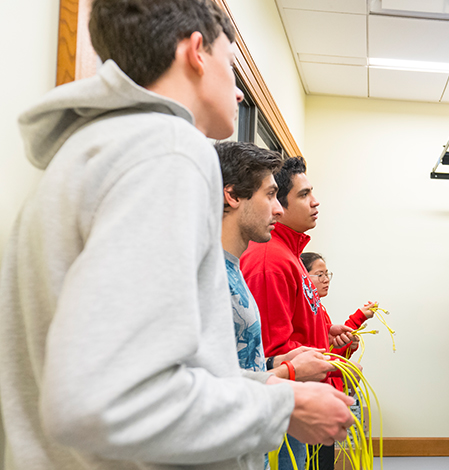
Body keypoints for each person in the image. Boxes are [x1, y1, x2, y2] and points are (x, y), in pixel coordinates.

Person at [0, 1, 353, 469]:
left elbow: (138, 379)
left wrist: (264, 386)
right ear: (195, 53)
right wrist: (283, 407)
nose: (240, 94)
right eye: (230, 64)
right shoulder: (168, 151)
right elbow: (104, 402)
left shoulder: (89, 154)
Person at [216, 141, 338, 470]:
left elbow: (243, 358)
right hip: (265, 412)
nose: (278, 210)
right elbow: (211, 380)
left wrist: (279, 360)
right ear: (232, 196)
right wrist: (290, 370)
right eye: (270, 195)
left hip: (265, 410)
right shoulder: (266, 259)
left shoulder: (268, 258)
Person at [240, 157, 359, 470]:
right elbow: (271, 350)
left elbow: (292, 322)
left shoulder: (288, 255)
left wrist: (325, 331)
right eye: (304, 194)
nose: (315, 202)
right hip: (283, 400)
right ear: (279, 203)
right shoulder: (269, 259)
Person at [300, 252, 377, 358]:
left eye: (326, 274)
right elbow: (324, 358)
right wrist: (357, 319)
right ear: (303, 277)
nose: (326, 280)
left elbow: (333, 355)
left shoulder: (320, 309)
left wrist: (349, 346)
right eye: (320, 275)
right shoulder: (306, 312)